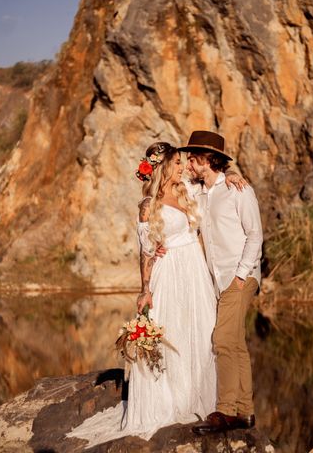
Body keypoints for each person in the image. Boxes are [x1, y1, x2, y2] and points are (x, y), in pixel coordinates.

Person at [67, 141, 241, 445]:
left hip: (196, 272)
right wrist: (145, 289)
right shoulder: (149, 205)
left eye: (183, 163)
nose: (184, 167)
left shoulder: (187, 188)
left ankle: (201, 400)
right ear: (163, 168)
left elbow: (214, 179)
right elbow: (145, 251)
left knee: (201, 333)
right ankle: (171, 401)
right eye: (176, 163)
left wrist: (233, 176)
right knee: (172, 333)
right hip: (170, 273)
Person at [178, 130, 264, 434]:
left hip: (239, 277)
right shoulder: (201, 192)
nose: (189, 162)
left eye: (193, 157)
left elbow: (255, 234)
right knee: (235, 343)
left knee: (223, 340)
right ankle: (245, 412)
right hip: (218, 281)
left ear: (207, 160)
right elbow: (172, 185)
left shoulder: (239, 191)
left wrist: (241, 275)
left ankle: (225, 411)